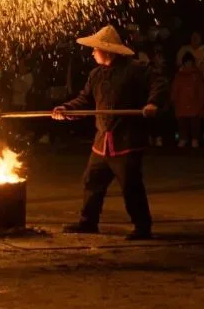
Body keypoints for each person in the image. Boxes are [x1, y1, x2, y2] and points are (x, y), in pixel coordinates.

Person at [52, 25, 165, 240]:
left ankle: (142, 227)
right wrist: (66, 110)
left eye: (96, 49)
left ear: (108, 51)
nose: (93, 52)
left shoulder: (135, 69)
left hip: (126, 141)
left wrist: (153, 103)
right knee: (91, 181)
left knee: (131, 186)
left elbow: (159, 82)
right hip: (102, 140)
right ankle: (88, 222)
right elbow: (85, 100)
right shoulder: (96, 75)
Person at [171, 53, 204, 148]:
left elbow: (201, 90)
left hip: (194, 104)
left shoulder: (197, 75)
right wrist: (174, 100)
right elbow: (175, 89)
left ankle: (195, 139)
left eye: (190, 62)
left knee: (194, 123)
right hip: (182, 104)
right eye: (187, 62)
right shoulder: (179, 75)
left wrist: (201, 103)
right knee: (183, 123)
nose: (188, 64)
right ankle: (183, 138)